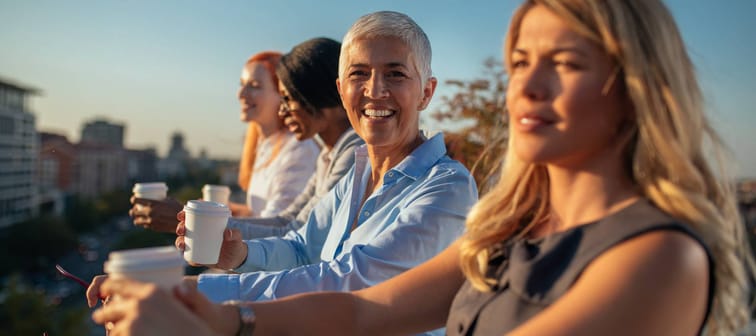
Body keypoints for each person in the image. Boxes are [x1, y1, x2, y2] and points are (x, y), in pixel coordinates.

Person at [92, 1, 755, 335]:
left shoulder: (658, 257)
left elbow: (347, 283)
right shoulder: (512, 222)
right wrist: (213, 311)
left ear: (635, 85)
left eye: (567, 63)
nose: (526, 86)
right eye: (521, 62)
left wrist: (201, 307)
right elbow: (363, 310)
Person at [88, 13, 478, 336]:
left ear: (426, 92)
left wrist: (198, 291)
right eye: (360, 74)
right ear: (342, 91)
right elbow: (302, 247)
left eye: (395, 74)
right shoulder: (356, 174)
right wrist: (239, 254)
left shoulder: (448, 188)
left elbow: (350, 283)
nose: (375, 90)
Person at [128, 52, 320, 232]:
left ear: (283, 94)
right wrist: (229, 211)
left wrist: (185, 219)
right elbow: (263, 215)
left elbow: (278, 229)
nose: (241, 94)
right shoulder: (266, 146)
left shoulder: (299, 150)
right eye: (242, 84)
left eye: (254, 85)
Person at [225, 37, 364, 239]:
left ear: (315, 93)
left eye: (288, 99)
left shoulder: (354, 154)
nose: (282, 111)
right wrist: (210, 222)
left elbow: (297, 235)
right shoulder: (328, 155)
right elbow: (289, 220)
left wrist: (206, 226)